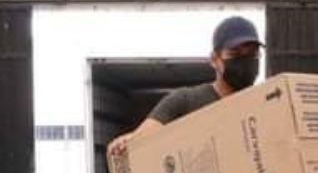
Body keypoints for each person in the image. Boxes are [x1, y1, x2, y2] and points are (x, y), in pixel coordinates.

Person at [108, 15, 263, 151]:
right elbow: (141, 140)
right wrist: (126, 144)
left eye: (252, 54)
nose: (245, 61)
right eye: (235, 54)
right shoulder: (185, 101)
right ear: (214, 60)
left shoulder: (265, 105)